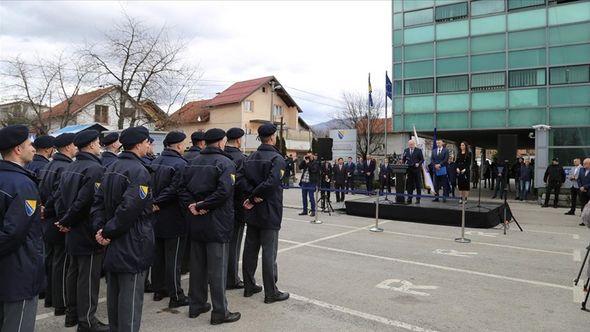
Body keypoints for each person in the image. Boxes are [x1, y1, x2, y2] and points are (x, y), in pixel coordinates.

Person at [91, 126, 155, 332]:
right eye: (147, 141)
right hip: (132, 242)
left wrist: (101, 230)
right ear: (137, 145)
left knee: (115, 296)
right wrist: (106, 232)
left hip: (113, 240)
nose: (149, 145)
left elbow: (97, 204)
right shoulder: (139, 171)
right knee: (129, 301)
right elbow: (130, 209)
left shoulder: (111, 167)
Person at [178, 128, 241, 325]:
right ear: (222, 142)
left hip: (197, 221)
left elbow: (182, 189)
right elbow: (224, 192)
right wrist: (201, 206)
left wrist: (194, 206)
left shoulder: (192, 162)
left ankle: (196, 305)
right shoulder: (226, 163)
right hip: (217, 222)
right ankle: (220, 311)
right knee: (217, 269)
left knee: (197, 266)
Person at [54, 130, 108, 332]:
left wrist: (64, 220)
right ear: (92, 145)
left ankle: (72, 315)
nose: (99, 146)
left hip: (72, 228)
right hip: (86, 229)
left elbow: (59, 198)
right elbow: (85, 202)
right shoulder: (94, 169)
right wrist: (67, 220)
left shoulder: (71, 166)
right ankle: (86, 321)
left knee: (74, 273)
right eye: (98, 143)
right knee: (87, 277)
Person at [0, 125, 44, 332]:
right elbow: (13, 233)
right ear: (18, 149)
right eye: (30, 144)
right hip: (19, 272)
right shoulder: (22, 184)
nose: (34, 149)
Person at [241, 123, 289, 304]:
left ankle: (249, 286)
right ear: (272, 137)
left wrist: (252, 197)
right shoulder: (277, 159)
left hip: (253, 211)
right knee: (269, 253)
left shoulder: (251, 157)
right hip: (269, 211)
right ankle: (271, 292)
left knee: (250, 250)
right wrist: (255, 197)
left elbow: (241, 180)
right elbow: (272, 183)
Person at [37, 133, 75, 321]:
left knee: (52, 260)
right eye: (74, 145)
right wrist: (63, 219)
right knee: (61, 263)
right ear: (68, 147)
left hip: (47, 219)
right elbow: (59, 195)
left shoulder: (50, 165)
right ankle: (61, 303)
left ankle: (51, 298)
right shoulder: (65, 167)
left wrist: (44, 208)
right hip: (57, 220)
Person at [150, 131, 190, 308]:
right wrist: (158, 202)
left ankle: (159, 290)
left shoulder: (155, 161)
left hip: (156, 216)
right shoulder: (180, 164)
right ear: (179, 145)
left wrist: (154, 203)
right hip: (174, 216)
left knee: (158, 256)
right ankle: (176, 295)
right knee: (174, 258)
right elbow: (175, 189)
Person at [224, 128, 247, 290]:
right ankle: (231, 278)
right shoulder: (240, 158)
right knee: (234, 244)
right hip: (235, 208)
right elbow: (241, 185)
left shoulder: (218, 155)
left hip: (215, 208)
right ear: (239, 140)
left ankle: (217, 276)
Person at [402, 139, 424, 204]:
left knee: (418, 185)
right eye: (409, 144)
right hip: (409, 170)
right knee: (409, 185)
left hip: (416, 170)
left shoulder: (418, 150)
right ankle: (409, 198)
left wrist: (418, 163)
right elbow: (404, 159)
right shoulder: (406, 150)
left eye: (411, 144)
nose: (410, 146)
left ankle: (418, 199)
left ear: (414, 144)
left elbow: (422, 159)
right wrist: (403, 163)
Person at [298, 152, 319, 217]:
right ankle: (305, 210)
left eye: (310, 155)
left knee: (311, 197)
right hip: (304, 181)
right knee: (304, 197)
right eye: (308, 155)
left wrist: (308, 163)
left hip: (311, 182)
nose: (308, 157)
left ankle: (313, 211)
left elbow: (314, 170)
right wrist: (304, 161)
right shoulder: (306, 161)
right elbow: (300, 167)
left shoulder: (315, 163)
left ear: (312, 156)